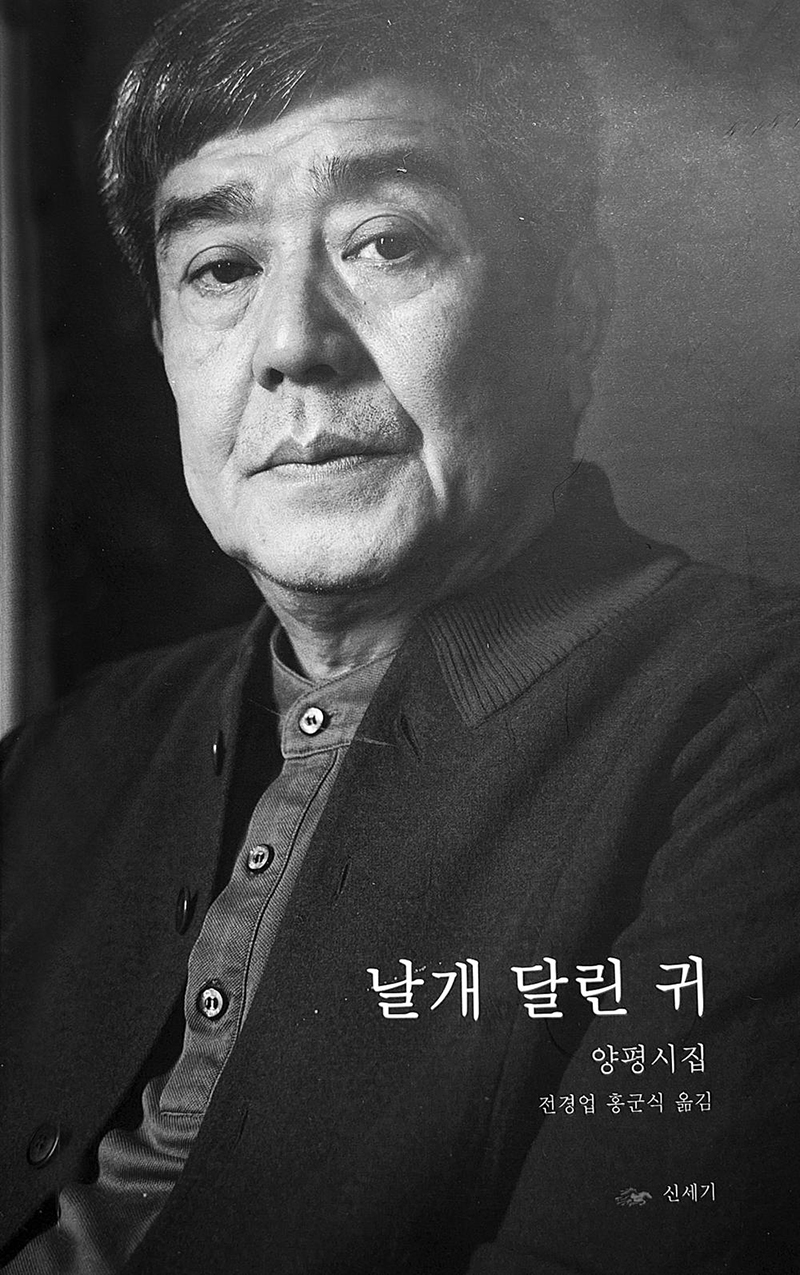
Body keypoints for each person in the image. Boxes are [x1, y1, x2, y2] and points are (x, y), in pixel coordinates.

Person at [2, 0, 799, 1271]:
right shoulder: (56, 763)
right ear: (162, 348)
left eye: (386, 243)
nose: (291, 346)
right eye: (220, 269)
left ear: (572, 309)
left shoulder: (757, 717)